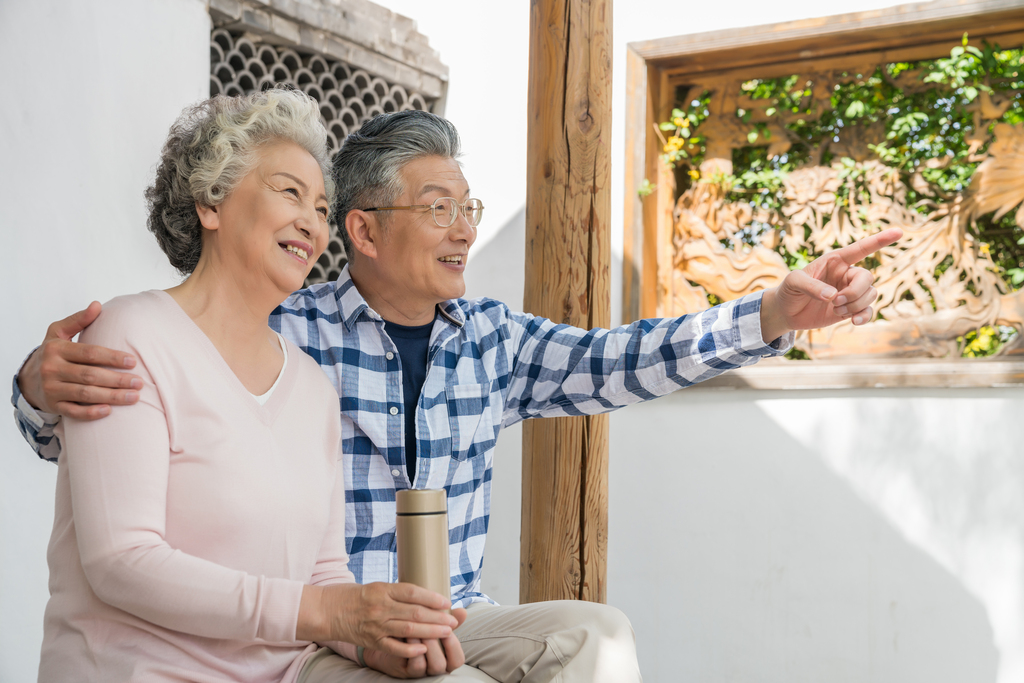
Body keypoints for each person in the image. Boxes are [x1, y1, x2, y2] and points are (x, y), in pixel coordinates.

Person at [14, 109, 902, 682]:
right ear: (362, 232)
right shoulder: (288, 328)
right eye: (438, 207)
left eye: (469, 206)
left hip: (455, 610)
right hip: (332, 623)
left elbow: (620, 360)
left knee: (600, 638)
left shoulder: (491, 339)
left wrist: (772, 312)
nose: (466, 227)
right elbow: (133, 434)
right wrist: (34, 389)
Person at [29, 91, 463, 683]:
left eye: (319, 206)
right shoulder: (133, 334)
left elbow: (325, 574)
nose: (312, 220)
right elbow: (120, 561)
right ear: (212, 203)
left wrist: (371, 645)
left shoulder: (311, 387)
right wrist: (328, 613)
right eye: (289, 192)